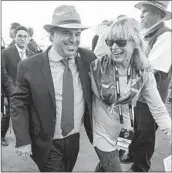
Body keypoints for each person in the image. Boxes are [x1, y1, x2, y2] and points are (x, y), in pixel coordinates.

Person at [10, 5, 96, 172]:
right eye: (66, 33)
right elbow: (18, 103)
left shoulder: (87, 58)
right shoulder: (29, 66)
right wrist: (23, 139)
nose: (73, 39)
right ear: (51, 36)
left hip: (74, 138)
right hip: (46, 141)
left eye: (77, 34)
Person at [90, 17, 171, 172]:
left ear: (135, 43)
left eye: (120, 42)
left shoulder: (143, 73)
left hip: (126, 132)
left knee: (104, 168)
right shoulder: (96, 68)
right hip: (103, 134)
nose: (114, 47)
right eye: (110, 42)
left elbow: (159, 110)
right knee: (113, 168)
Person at [121, 1, 172, 171]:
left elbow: (151, 67)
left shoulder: (166, 35)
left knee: (146, 134)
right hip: (137, 93)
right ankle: (133, 154)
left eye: (145, 12)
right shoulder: (145, 34)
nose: (141, 15)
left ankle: (141, 167)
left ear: (160, 15)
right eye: (141, 12)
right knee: (135, 128)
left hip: (151, 95)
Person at [1, 58, 14, 146]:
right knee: (7, 115)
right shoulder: (2, 65)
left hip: (17, 93)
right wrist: (4, 96)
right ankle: (1, 136)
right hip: (7, 95)